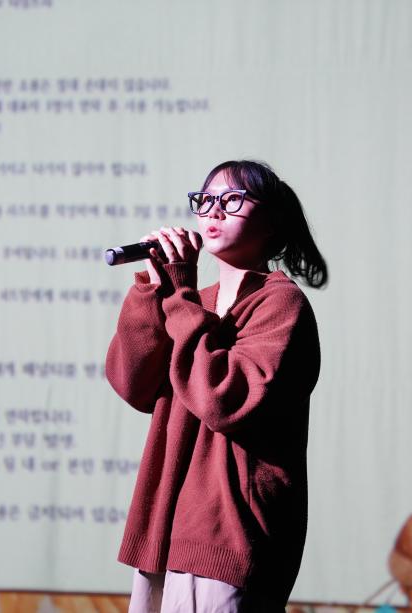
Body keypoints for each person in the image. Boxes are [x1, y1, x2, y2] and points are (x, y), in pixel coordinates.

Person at [105, 160, 327, 612]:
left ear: (271, 222)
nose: (213, 210)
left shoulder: (280, 303)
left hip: (228, 532)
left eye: (233, 200)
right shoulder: (193, 302)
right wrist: (153, 291)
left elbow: (224, 400)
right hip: (165, 529)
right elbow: (133, 385)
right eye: (205, 200)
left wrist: (180, 295)